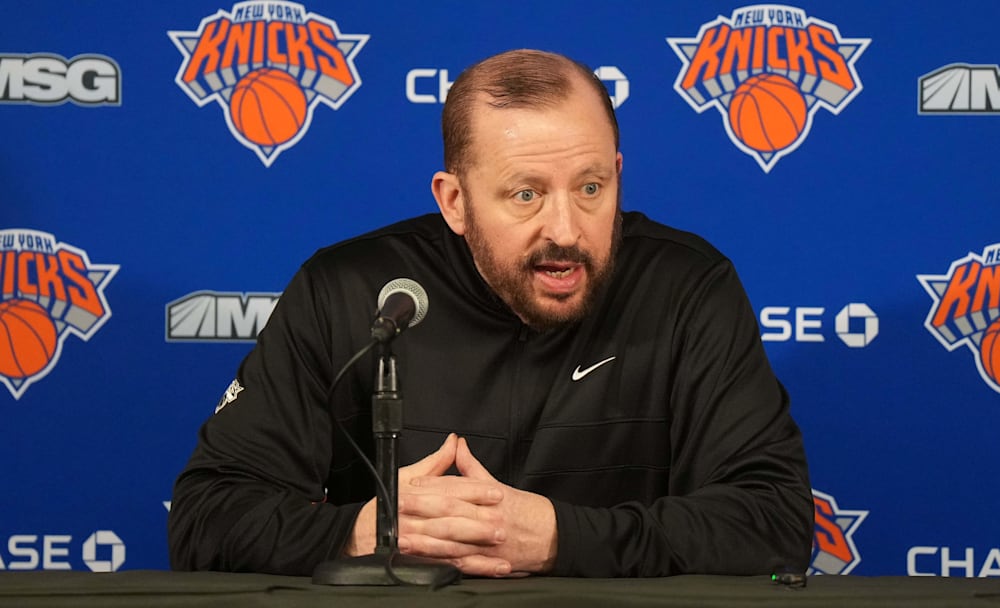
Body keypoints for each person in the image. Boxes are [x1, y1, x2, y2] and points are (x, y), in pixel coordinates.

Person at [168, 48, 813, 578]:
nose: (566, 229)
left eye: (592, 188)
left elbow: (775, 521)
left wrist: (560, 537)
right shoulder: (348, 292)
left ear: (618, 173)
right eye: (526, 194)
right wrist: (364, 529)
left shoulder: (687, 288)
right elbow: (205, 520)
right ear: (454, 201)